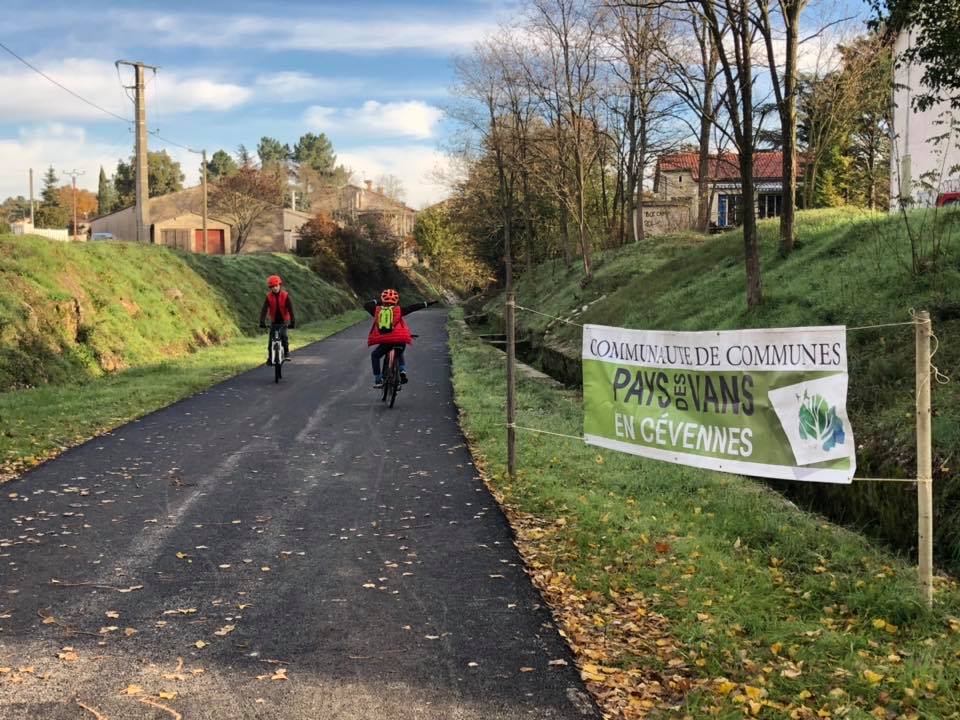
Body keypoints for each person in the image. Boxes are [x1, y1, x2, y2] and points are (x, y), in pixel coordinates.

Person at [365, 289, 437, 388]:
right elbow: (413, 307)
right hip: (400, 340)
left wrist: (378, 301)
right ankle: (402, 371)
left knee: (375, 356)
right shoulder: (399, 310)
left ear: (382, 300)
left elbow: (366, 305)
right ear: (396, 301)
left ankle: (378, 380)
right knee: (399, 352)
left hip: (386, 342)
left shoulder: (377, 310)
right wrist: (427, 303)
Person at [258, 275, 296, 364]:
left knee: (284, 336)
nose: (274, 288)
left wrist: (292, 322)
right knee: (271, 341)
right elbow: (264, 309)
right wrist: (262, 321)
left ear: (279, 285)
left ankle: (286, 353)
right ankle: (271, 358)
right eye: (272, 287)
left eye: (276, 285)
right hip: (274, 321)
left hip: (284, 321)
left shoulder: (285, 296)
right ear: (270, 288)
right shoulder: (269, 297)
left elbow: (290, 310)